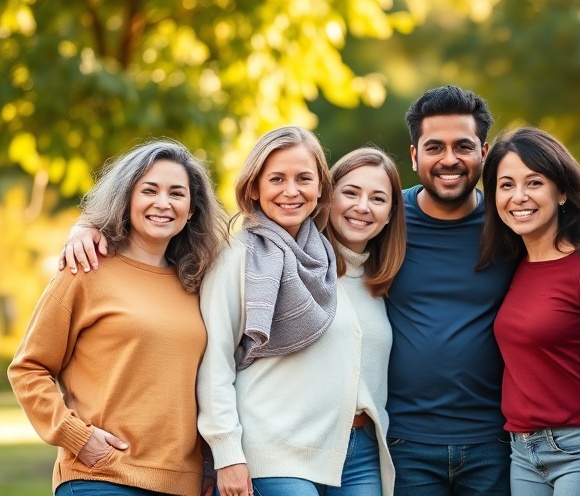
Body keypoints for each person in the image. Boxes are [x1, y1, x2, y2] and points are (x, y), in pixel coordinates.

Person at [57, 134, 406, 495]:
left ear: (320, 189)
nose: (291, 191)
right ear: (254, 188)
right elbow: (215, 362)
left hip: (359, 451)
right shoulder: (236, 256)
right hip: (276, 452)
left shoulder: (335, 263)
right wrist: (226, 455)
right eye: (276, 179)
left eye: (303, 179)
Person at [8, 140, 229, 495]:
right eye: (149, 190)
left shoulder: (199, 284)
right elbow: (28, 368)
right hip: (104, 477)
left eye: (176, 193)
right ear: (127, 198)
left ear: (191, 210)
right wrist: (77, 436)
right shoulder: (85, 270)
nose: (163, 203)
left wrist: (208, 466)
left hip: (183, 484)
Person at [385, 85, 516, 495]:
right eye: (434, 147)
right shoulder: (384, 219)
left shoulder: (512, 221)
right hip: (405, 442)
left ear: (483, 151)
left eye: (463, 146)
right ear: (414, 156)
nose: (449, 160)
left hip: (493, 442)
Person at [476, 126, 580, 495]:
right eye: (506, 185)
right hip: (521, 450)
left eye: (534, 183)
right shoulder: (510, 264)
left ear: (561, 191)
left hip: (579, 447)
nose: (518, 197)